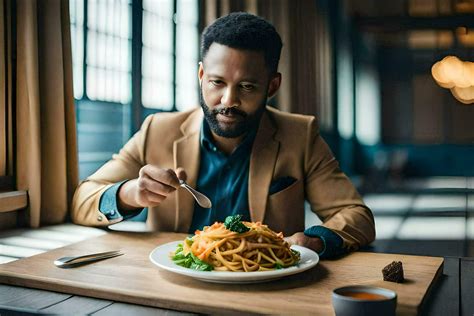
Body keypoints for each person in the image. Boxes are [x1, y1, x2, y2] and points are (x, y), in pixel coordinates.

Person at [72, 12, 375, 259]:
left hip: (262, 285)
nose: (228, 100)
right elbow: (82, 200)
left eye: (246, 86)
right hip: (175, 281)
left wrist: (317, 241)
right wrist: (130, 193)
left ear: (272, 86)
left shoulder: (300, 135)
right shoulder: (158, 130)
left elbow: (356, 215)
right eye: (217, 82)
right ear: (201, 76)